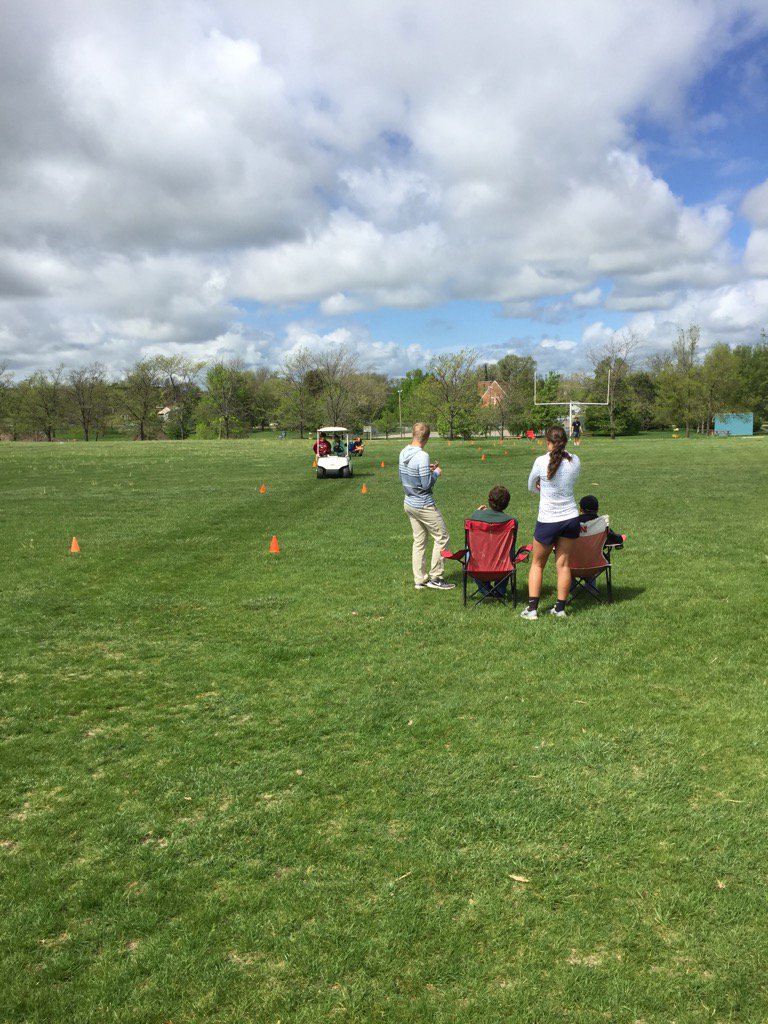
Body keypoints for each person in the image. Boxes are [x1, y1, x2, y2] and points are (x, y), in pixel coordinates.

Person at [521, 424, 581, 620]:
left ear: (548, 442)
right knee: (563, 565)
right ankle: (560, 608)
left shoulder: (540, 462)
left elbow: (531, 487)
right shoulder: (575, 461)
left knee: (537, 564)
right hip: (570, 517)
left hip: (548, 519)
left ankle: (532, 610)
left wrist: (542, 486)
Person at [399, 422, 455, 590]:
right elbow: (426, 485)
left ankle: (420, 580)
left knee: (419, 541)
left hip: (409, 502)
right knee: (442, 537)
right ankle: (436, 577)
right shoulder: (423, 456)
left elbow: (406, 476)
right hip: (423, 504)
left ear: (413, 434)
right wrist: (435, 473)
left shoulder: (403, 452)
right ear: (427, 438)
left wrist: (426, 471)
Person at [467, 485, 514, 597]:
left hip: (477, 567)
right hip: (503, 568)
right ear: (507, 504)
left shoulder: (474, 517)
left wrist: (476, 512)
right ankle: (500, 590)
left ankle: (485, 589)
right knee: (508, 552)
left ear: (489, 501)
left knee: (469, 550)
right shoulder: (511, 522)